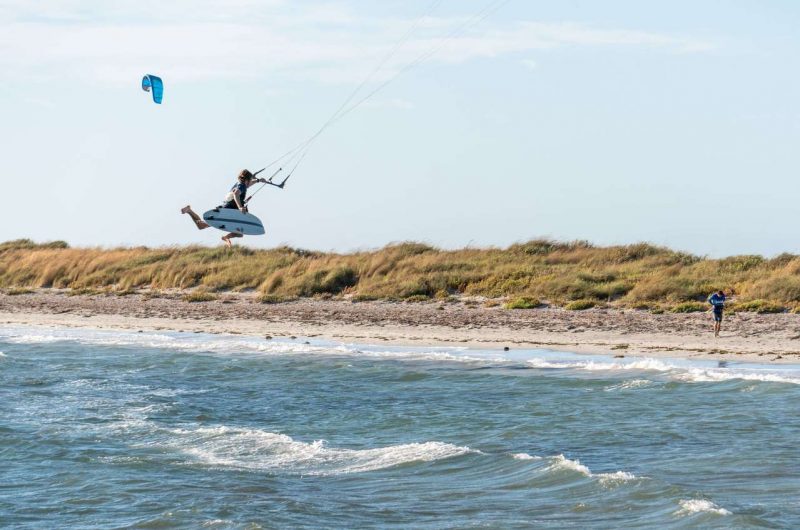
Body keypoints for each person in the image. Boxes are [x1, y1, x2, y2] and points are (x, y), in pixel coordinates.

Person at [181, 170, 267, 247]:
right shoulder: (242, 186)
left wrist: (258, 180)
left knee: (201, 226)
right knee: (240, 232)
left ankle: (189, 210)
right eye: (249, 180)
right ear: (247, 180)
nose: (249, 183)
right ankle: (226, 237)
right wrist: (240, 207)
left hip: (225, 209)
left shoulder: (239, 184)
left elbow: (246, 186)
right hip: (229, 211)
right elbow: (236, 194)